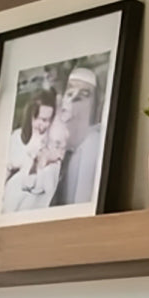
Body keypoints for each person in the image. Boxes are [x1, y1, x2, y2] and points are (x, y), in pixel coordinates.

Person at [52, 66, 105, 208]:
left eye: (85, 94)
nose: (74, 98)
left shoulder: (93, 143)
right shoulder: (54, 137)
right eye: (70, 92)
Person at [3, 119, 68, 213]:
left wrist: (41, 163)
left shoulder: (52, 169)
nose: (44, 145)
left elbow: (32, 185)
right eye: (45, 140)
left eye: (57, 145)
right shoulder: (32, 159)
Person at [6, 88, 56, 181]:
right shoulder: (16, 137)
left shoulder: (52, 140)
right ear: (31, 116)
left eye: (50, 120)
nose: (46, 125)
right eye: (43, 119)